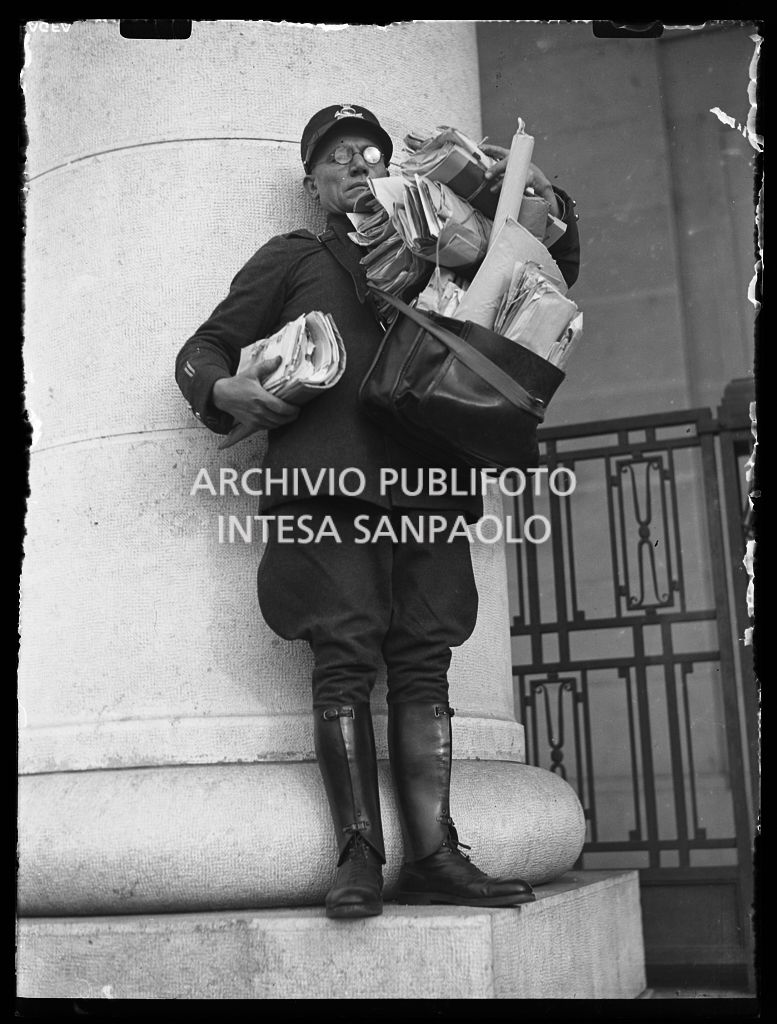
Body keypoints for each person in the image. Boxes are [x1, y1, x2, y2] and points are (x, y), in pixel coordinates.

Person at [176, 104, 580, 919]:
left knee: (425, 663)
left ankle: (436, 854)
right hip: (326, 492)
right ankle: (359, 854)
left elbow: (544, 267)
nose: (357, 165)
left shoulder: (445, 245)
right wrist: (223, 389)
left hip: (431, 483)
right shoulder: (294, 257)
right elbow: (203, 349)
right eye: (336, 157)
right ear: (311, 182)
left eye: (371, 153)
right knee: (344, 661)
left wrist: (535, 194)